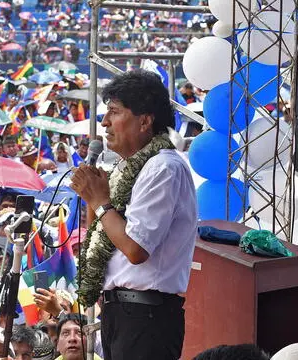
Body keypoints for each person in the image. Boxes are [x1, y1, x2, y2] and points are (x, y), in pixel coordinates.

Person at [70, 70, 197, 360]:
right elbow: (100, 237)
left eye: (114, 112)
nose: (104, 122)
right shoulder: (131, 169)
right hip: (122, 313)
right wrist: (94, 199)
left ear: (145, 120)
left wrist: (101, 201)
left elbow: (136, 249)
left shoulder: (164, 168)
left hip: (146, 316)